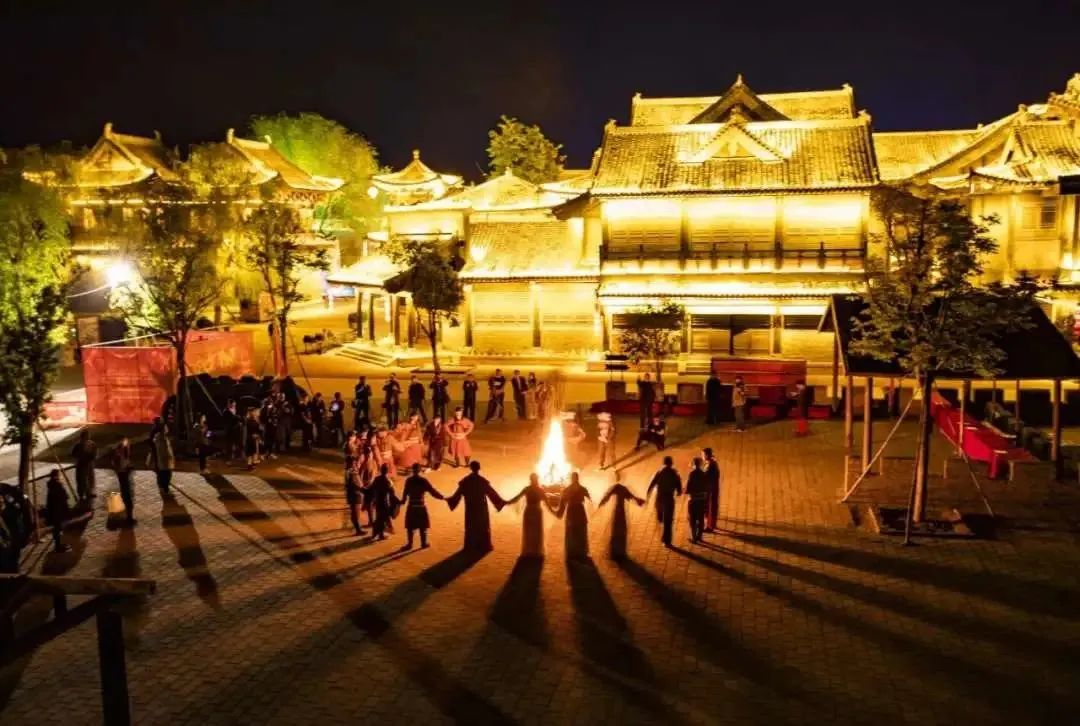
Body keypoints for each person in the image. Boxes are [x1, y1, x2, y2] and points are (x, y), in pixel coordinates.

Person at [446, 460, 505, 552]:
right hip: (481, 507)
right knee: (482, 526)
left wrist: (450, 500)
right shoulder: (482, 481)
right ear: (479, 468)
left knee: (471, 525)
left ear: (471, 468)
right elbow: (492, 493)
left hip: (470, 507)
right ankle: (484, 546)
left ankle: (470, 546)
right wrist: (501, 502)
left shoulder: (466, 481)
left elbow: (458, 494)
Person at [506, 473, 555, 558]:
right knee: (536, 530)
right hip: (536, 511)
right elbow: (547, 504)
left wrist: (507, 502)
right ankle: (536, 550)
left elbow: (517, 498)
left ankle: (529, 550)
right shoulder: (540, 490)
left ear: (531, 479)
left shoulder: (527, 489)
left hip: (529, 511)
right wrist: (555, 512)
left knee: (529, 530)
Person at [401, 463, 445, 549]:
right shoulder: (423, 481)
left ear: (412, 470)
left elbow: (404, 494)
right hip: (421, 506)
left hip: (411, 505)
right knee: (423, 525)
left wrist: (400, 502)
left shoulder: (408, 481)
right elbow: (433, 492)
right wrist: (443, 497)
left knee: (410, 526)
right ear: (420, 470)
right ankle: (423, 543)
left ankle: (410, 544)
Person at [598, 479, 645, 560]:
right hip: (621, 510)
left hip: (617, 510)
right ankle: (620, 551)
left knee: (616, 529)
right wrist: (638, 501)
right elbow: (631, 496)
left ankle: (615, 551)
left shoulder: (616, 487)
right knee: (621, 529)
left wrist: (602, 502)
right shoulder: (622, 488)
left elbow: (607, 495)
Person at [554, 471, 592, 559]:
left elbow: (563, 501)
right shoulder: (579, 489)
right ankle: (577, 551)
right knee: (575, 529)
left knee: (576, 529)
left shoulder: (570, 489)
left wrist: (560, 512)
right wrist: (560, 512)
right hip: (576, 510)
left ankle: (576, 551)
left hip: (575, 511)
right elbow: (563, 501)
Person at [647, 456, 682, 547]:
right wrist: (678, 492)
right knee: (668, 521)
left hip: (659, 499)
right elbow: (679, 489)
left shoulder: (658, 472)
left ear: (663, 463)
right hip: (669, 499)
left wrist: (647, 497)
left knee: (660, 518)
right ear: (671, 463)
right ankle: (667, 541)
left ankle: (663, 534)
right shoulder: (675, 473)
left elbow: (651, 485)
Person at [366, 464, 399, 540]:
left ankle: (379, 534)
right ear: (387, 471)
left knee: (379, 518)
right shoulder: (388, 481)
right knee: (383, 519)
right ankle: (379, 534)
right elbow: (392, 493)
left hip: (377, 502)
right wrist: (398, 502)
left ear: (381, 470)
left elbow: (371, 489)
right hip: (385, 503)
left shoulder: (377, 479)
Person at [44, 470, 70, 553]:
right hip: (57, 510)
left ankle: (57, 544)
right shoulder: (58, 485)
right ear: (56, 476)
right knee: (57, 528)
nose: (61, 476)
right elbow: (65, 496)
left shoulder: (51, 485)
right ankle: (58, 547)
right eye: (59, 475)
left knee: (57, 528)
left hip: (53, 510)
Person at [685, 458, 709, 544]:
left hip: (693, 500)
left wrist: (686, 491)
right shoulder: (703, 474)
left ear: (693, 464)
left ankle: (694, 537)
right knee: (700, 518)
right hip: (702, 500)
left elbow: (688, 488)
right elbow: (706, 486)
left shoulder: (691, 474)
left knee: (692, 519)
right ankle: (700, 536)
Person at [71, 429, 98, 503]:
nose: (87, 437)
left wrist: (92, 457)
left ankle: (88, 492)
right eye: (86, 436)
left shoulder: (92, 444)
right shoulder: (78, 445)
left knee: (90, 479)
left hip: (89, 464)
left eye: (87, 436)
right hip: (82, 464)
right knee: (81, 480)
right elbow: (74, 454)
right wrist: (81, 456)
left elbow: (95, 453)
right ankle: (81, 495)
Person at [149, 419, 175, 494]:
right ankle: (164, 488)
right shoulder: (161, 438)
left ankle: (162, 487)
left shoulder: (160, 437)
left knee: (162, 473)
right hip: (163, 460)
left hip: (161, 459)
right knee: (165, 474)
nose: (167, 428)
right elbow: (163, 450)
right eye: (165, 427)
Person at [344, 444, 365, 537]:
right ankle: (358, 529)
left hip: (354, 494)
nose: (355, 463)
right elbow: (354, 484)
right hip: (355, 494)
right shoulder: (351, 472)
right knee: (355, 513)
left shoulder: (350, 471)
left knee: (355, 512)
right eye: (354, 462)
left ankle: (358, 528)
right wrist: (363, 489)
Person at [703, 447, 721, 532]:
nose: (702, 456)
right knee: (713, 506)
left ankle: (709, 526)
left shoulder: (710, 465)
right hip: (713, 487)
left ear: (706, 455)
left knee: (709, 507)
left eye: (703, 454)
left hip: (710, 489)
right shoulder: (712, 462)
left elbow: (705, 476)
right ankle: (712, 524)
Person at [223, 399, 243, 464]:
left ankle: (238, 456)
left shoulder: (235, 410)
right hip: (230, 430)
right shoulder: (226, 411)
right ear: (230, 404)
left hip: (236, 430)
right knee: (229, 444)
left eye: (235, 404)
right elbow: (228, 420)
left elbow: (239, 418)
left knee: (238, 442)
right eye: (233, 404)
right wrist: (235, 418)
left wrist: (239, 420)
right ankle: (228, 459)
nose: (235, 405)